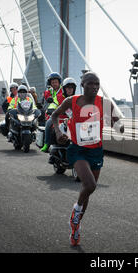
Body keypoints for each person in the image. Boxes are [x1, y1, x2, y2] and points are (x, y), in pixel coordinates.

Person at [51, 72, 124, 246]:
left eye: (97, 84)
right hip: (78, 150)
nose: (94, 87)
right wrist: (59, 131)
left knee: (88, 191)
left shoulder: (104, 102)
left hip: (96, 151)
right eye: (90, 83)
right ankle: (76, 211)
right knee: (90, 185)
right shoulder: (72, 101)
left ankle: (76, 226)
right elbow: (55, 116)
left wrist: (119, 127)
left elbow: (115, 120)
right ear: (82, 85)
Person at [41, 77, 77, 153]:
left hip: (72, 120)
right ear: (64, 88)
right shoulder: (59, 97)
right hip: (59, 118)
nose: (70, 89)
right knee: (48, 123)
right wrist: (51, 110)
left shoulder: (76, 99)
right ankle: (46, 143)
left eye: (71, 87)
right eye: (68, 87)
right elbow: (53, 105)